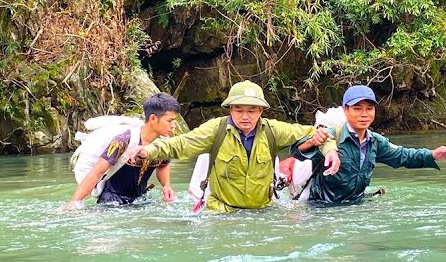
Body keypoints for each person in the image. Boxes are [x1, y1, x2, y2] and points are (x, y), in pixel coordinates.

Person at [135, 80, 340, 213]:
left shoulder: (273, 131)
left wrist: (330, 150)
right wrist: (149, 151)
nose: (245, 116)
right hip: (221, 214)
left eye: (251, 110)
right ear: (230, 109)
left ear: (261, 110)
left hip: (261, 213)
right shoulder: (215, 130)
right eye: (239, 110)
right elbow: (181, 144)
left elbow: (315, 132)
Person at [297, 84, 446, 206]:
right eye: (357, 109)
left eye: (369, 109)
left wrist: (433, 154)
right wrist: (312, 140)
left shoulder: (375, 141)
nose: (364, 114)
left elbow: (403, 156)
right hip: (321, 208)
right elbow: (299, 150)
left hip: (355, 207)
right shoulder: (332, 136)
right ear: (345, 110)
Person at [60, 93, 181, 211]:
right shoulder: (123, 141)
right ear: (153, 118)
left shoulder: (163, 144)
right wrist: (73, 203)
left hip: (141, 200)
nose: (173, 125)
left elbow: (163, 165)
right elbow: (96, 172)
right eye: (169, 120)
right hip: (112, 203)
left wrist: (166, 185)